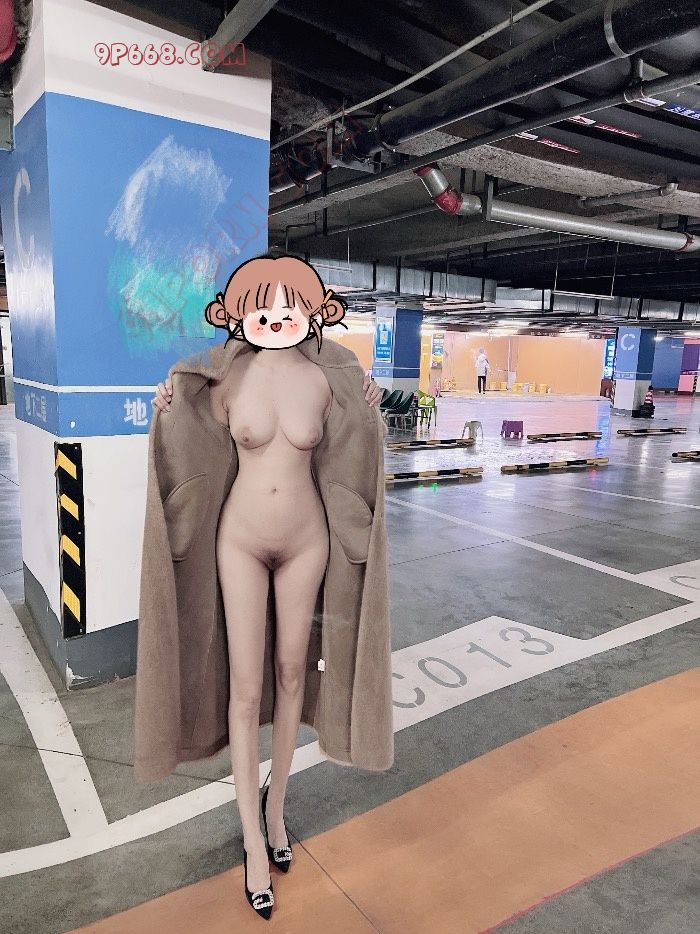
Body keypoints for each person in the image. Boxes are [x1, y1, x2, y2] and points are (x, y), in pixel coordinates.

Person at [149, 255, 384, 920]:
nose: (275, 317)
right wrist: (165, 406)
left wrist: (370, 408)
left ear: (314, 311)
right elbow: (187, 436)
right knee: (246, 686)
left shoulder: (330, 378)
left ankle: (275, 808)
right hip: (240, 540)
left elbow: (352, 450)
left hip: (309, 540)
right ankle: (252, 841)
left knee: (290, 675)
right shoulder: (222, 378)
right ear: (237, 314)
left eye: (289, 306)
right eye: (261, 306)